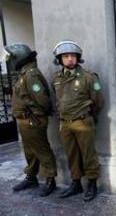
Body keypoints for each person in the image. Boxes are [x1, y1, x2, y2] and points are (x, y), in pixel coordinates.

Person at [0, 44, 57, 197]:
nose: (9, 61)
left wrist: (39, 115)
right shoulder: (24, 74)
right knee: (30, 152)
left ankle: (51, 180)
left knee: (42, 150)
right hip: (25, 121)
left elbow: (43, 100)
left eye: (11, 58)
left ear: (18, 58)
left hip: (33, 121)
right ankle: (31, 177)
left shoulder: (31, 75)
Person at [51, 40, 104, 202]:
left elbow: (98, 101)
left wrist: (87, 115)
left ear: (77, 57)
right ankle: (76, 183)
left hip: (83, 122)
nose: (70, 59)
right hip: (64, 124)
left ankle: (92, 183)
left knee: (88, 155)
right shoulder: (56, 79)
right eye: (66, 56)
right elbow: (57, 99)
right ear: (60, 59)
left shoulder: (88, 77)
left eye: (72, 56)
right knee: (71, 154)